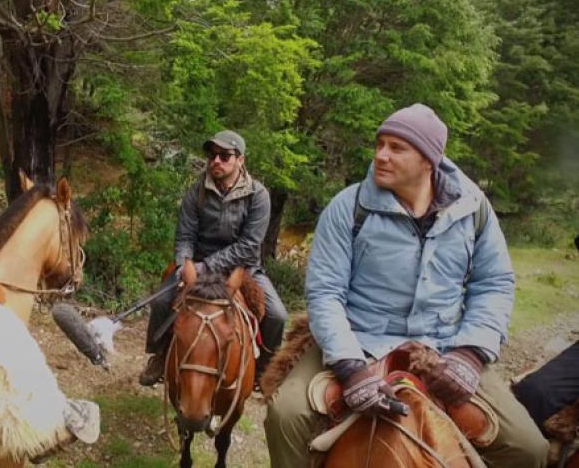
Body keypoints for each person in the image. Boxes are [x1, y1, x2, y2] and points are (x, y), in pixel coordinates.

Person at [263, 104, 549, 467]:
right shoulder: (348, 208)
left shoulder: (473, 209)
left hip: (444, 345)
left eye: (397, 148)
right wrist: (351, 367)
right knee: (285, 416)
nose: (381, 155)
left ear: (429, 160)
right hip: (358, 340)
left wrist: (470, 355)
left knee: (529, 448)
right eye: (380, 144)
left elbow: (493, 283)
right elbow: (325, 293)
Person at [139, 130, 288, 387]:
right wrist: (185, 261)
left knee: (277, 315)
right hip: (197, 261)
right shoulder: (197, 190)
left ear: (240, 160)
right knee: (163, 300)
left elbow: (249, 245)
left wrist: (205, 265)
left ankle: (262, 371)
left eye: (224, 155)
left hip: (242, 267)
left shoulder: (258, 195)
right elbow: (185, 235)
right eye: (212, 155)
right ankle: (159, 356)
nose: (216, 161)